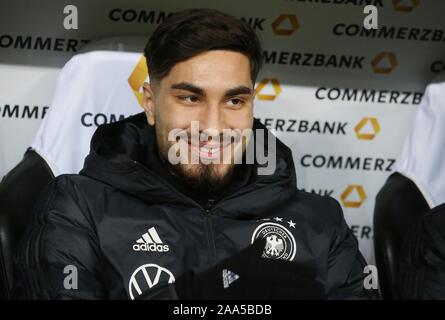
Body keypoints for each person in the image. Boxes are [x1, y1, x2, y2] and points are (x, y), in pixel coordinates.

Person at [13, 8, 373, 300]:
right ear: (150, 104)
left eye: (234, 100)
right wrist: (197, 294)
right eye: (190, 98)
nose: (213, 126)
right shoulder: (78, 207)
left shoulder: (319, 220)